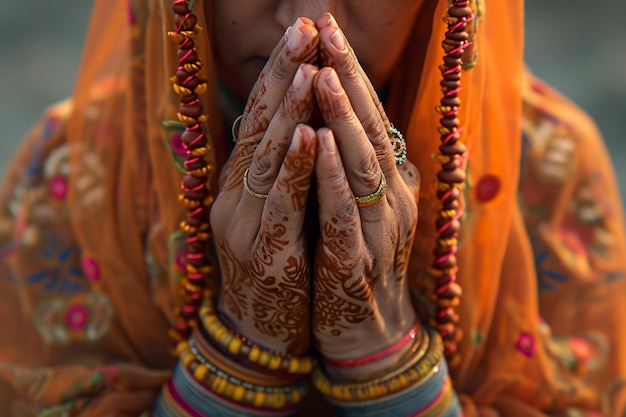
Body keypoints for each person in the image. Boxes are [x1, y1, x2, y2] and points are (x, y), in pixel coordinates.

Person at [0, 0, 625, 415]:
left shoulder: (546, 168)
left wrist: (378, 342)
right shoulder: (72, 174)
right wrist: (243, 344)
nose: (306, 18)